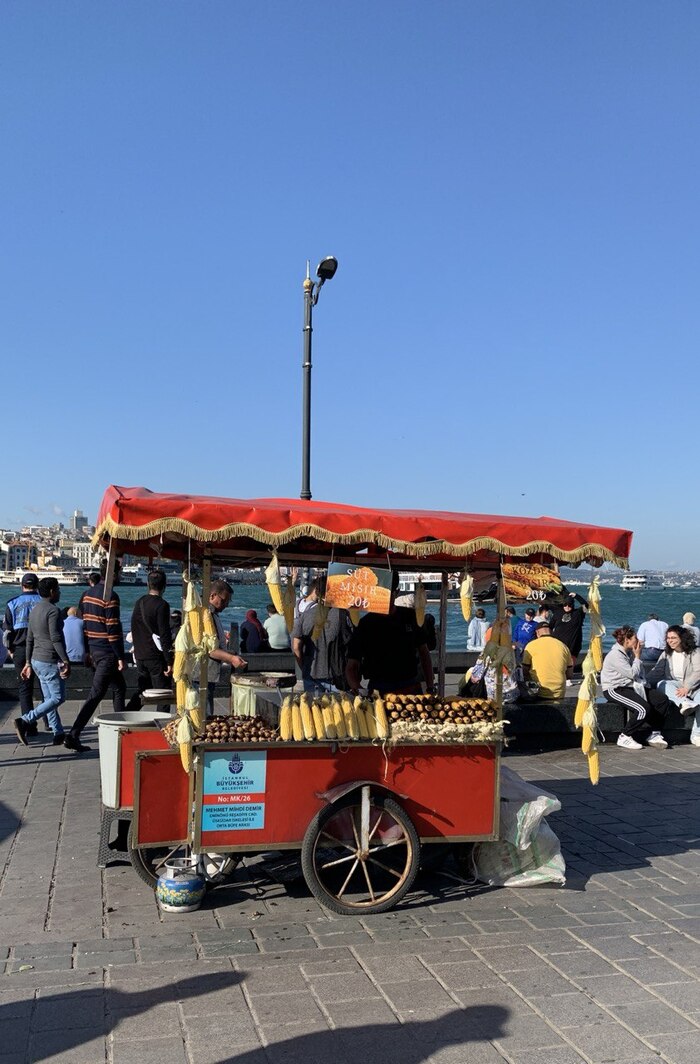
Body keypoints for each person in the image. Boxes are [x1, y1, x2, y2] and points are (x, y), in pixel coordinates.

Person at [64, 559, 126, 753]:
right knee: (96, 694)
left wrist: (87, 651)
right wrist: (120, 657)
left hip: (94, 650)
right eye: (120, 572)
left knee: (120, 687)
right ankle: (73, 735)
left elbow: (85, 625)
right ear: (114, 574)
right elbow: (113, 629)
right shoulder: (111, 597)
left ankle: (123, 731)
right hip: (107, 652)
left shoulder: (87, 595)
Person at [345, 582, 434, 696]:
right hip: (378, 688)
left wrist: (430, 686)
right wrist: (358, 688)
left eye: (387, 593)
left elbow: (424, 653)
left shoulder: (410, 616)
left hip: (410, 686)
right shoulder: (366, 624)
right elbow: (351, 665)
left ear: (396, 592)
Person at [14, 577, 69, 746]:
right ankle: (25, 720)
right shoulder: (53, 611)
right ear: (52, 592)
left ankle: (57, 731)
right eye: (58, 589)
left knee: (48, 697)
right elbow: (56, 638)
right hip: (49, 659)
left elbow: (29, 638)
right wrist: (65, 660)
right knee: (58, 697)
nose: (59, 592)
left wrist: (28, 662)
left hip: (36, 660)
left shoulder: (35, 610)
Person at [600, 625, 671, 750]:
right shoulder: (615, 655)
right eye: (635, 638)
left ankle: (655, 734)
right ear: (627, 640)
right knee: (643, 709)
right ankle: (625, 736)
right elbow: (632, 674)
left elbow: (639, 674)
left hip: (631, 686)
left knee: (661, 700)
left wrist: (637, 656)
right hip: (615, 689)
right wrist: (638, 656)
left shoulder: (628, 653)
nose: (638, 640)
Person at [125, 569, 174, 712]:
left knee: (143, 690)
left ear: (148, 584)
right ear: (164, 585)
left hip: (140, 655)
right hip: (155, 657)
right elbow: (164, 634)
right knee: (163, 693)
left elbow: (134, 627)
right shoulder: (162, 605)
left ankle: (127, 715)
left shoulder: (139, 602)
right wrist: (169, 661)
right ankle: (162, 726)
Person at [292, 579, 353, 692]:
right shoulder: (342, 614)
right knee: (339, 708)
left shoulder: (305, 615)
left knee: (314, 708)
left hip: (311, 672)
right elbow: (351, 641)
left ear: (317, 592)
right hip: (337, 673)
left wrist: (303, 666)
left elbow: (296, 647)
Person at [646, 625, 700, 747]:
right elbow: (657, 671)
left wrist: (687, 687)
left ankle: (696, 735)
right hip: (676, 686)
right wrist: (644, 683)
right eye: (668, 638)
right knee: (662, 684)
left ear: (682, 638)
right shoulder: (666, 653)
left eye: (674, 638)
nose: (670, 641)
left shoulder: (695, 652)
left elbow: (698, 672)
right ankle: (684, 703)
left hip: (695, 686)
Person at [3, 572, 42, 734]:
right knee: (45, 687)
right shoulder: (43, 602)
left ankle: (29, 725)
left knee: (25, 689)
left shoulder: (12, 604)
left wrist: (10, 650)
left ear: (22, 585)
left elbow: (7, 633)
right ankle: (50, 722)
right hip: (41, 649)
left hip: (19, 650)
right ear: (37, 586)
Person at [203, 579, 247, 714]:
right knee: (205, 710)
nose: (226, 605)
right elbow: (210, 648)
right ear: (212, 596)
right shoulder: (205, 614)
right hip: (201, 673)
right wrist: (231, 658)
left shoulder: (213, 614)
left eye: (228, 602)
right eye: (223, 601)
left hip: (209, 672)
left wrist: (229, 653)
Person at [521, 622, 573, 700]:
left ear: (537, 633)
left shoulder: (531, 646)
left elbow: (524, 671)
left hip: (538, 692)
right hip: (559, 692)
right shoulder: (563, 646)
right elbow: (569, 674)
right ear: (551, 632)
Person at [551, 593, 588, 664]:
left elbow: (586, 605)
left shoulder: (578, 613)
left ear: (573, 605)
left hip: (573, 647)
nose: (567, 606)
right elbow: (550, 627)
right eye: (565, 605)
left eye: (569, 605)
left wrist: (576, 596)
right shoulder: (557, 613)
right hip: (558, 646)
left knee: (569, 668)